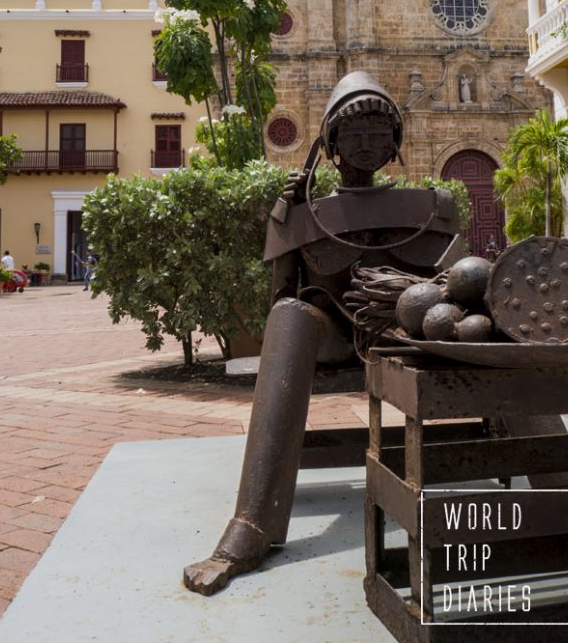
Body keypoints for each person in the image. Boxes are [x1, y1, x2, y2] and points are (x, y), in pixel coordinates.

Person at [184, 71, 463, 596]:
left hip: (416, 331)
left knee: (482, 315)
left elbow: (452, 281)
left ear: (395, 144)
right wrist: (289, 219)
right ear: (331, 145)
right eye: (355, 135)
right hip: (336, 334)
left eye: (379, 135)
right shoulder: (300, 211)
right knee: (291, 316)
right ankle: (251, 524)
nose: (367, 144)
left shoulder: (432, 205)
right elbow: (278, 302)